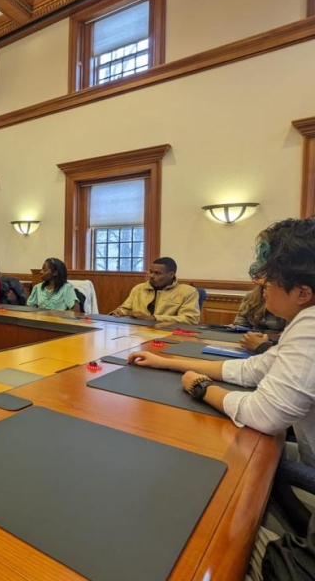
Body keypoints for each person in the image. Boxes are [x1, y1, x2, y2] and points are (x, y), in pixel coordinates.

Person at [125, 218, 315, 580]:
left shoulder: (310, 324)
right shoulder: (304, 321)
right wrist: (168, 362)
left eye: (269, 281)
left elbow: (264, 415)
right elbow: (251, 371)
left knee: (213, 527)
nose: (261, 288)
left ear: (302, 292)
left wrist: (200, 388)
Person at [109, 256, 200, 324]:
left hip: (168, 333)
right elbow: (126, 309)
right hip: (138, 331)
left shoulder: (187, 292)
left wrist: (153, 318)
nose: (151, 276)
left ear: (171, 274)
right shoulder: (139, 288)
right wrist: (118, 312)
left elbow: (190, 319)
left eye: (157, 273)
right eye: (151, 272)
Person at [234, 283, 287, 354]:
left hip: (276, 346)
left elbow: (290, 335)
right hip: (252, 343)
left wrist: (266, 338)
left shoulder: (290, 300)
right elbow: (239, 325)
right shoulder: (252, 296)